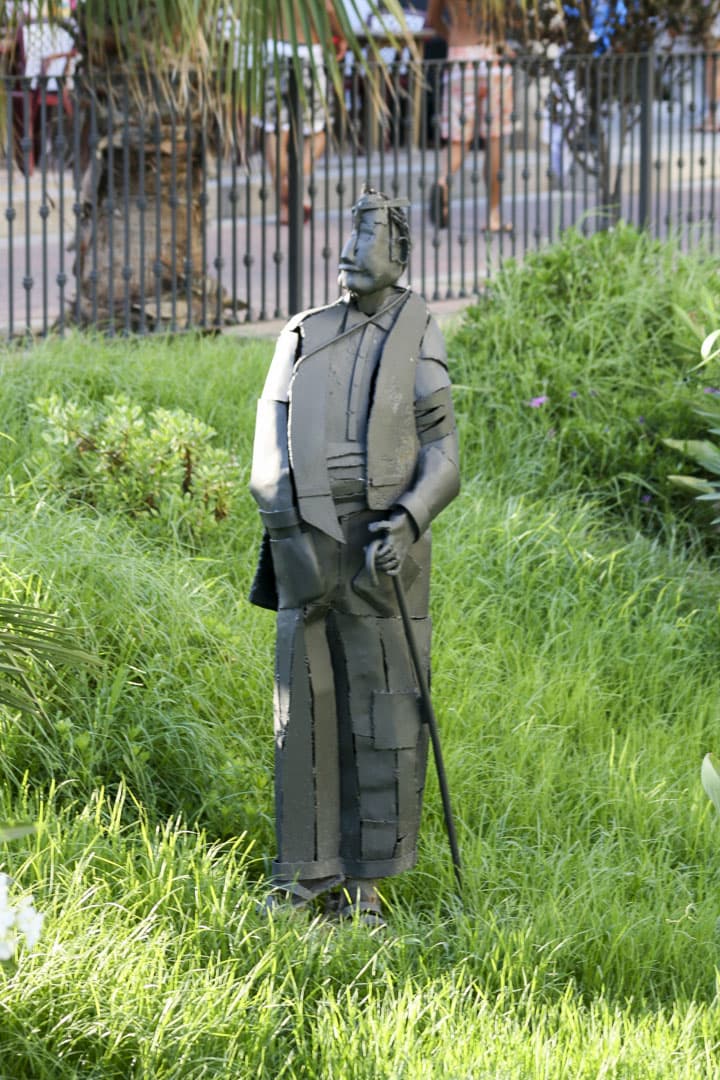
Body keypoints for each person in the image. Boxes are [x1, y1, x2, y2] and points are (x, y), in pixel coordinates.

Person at [249, 186, 460, 926]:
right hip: (308, 539)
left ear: (397, 254)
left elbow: (445, 454)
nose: (346, 251)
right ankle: (304, 879)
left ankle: (367, 883)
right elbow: (266, 455)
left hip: (386, 552)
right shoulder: (303, 334)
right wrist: (288, 535)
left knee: (384, 714)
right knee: (303, 713)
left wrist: (407, 519)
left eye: (365, 237)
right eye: (347, 236)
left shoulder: (419, 332)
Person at [425, 0, 514, 232]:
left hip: (460, 55)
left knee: (458, 137)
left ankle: (443, 182)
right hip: (493, 54)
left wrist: (452, 36)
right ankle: (494, 215)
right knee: (495, 138)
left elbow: (432, 20)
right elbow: (512, 17)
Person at [254, 5, 347, 224]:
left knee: (275, 129)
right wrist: (340, 36)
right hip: (307, 49)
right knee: (317, 130)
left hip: (273, 49)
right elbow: (328, 8)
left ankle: (285, 200)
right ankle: (297, 181)